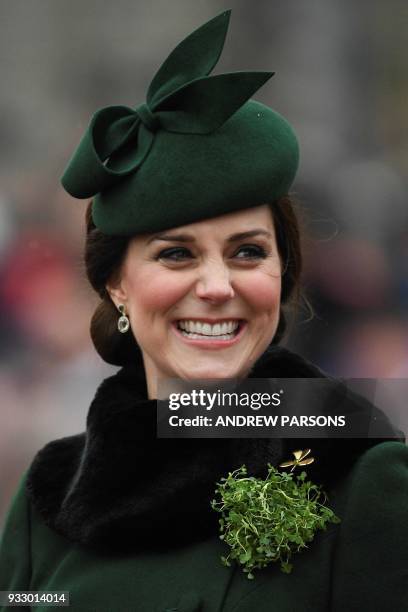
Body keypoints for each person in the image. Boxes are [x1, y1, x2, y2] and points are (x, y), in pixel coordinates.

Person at [1, 10, 407, 612]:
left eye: (248, 252)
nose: (216, 286)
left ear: (281, 273)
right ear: (116, 284)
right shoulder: (52, 491)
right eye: (175, 255)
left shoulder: (364, 472)